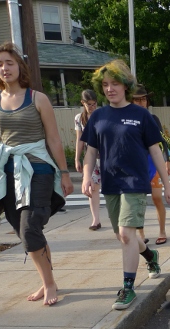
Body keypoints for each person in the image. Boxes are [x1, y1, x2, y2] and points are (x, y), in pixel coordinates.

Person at [0, 42, 74, 306]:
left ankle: (50, 284)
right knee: (25, 232)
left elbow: (53, 139)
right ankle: (47, 280)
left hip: (38, 169)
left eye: (9, 62)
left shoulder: (37, 98)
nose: (5, 68)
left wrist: (64, 173)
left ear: (19, 65)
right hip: (7, 171)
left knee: (30, 229)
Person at [80, 59, 170, 310]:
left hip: (135, 182)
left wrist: (167, 186)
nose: (110, 89)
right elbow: (91, 151)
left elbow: (156, 152)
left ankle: (128, 288)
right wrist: (86, 176)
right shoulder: (98, 116)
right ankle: (149, 255)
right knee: (124, 236)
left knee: (126, 234)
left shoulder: (141, 115)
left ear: (125, 86)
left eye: (114, 83)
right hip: (111, 182)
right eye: (105, 85)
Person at [131, 84, 170, 245]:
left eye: (144, 99)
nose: (141, 102)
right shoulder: (128, 119)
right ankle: (141, 234)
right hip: (136, 165)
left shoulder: (153, 119)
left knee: (156, 198)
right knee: (138, 201)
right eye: (137, 100)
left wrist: (167, 160)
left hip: (153, 162)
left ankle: (162, 230)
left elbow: (162, 141)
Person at [74, 89, 102, 230]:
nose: (92, 107)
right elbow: (79, 139)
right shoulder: (80, 118)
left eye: (94, 104)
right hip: (90, 157)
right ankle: (95, 220)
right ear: (83, 103)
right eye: (89, 104)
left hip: (105, 156)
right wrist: (77, 158)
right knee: (93, 188)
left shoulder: (102, 115)